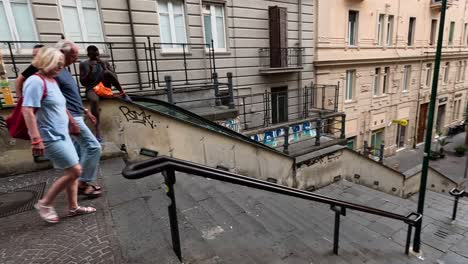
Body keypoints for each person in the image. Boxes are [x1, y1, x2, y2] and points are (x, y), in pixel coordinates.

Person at [18, 40, 103, 198]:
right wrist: (70, 120)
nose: (76, 59)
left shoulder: (62, 70)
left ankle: (75, 197)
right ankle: (82, 183)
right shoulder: (47, 72)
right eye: (73, 55)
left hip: (76, 115)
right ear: (62, 54)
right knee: (93, 147)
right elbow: (21, 84)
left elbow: (66, 97)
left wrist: (86, 111)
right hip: (69, 119)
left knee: (78, 155)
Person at [79, 45, 131, 142]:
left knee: (108, 73)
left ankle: (123, 93)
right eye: (93, 54)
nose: (96, 56)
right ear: (88, 54)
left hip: (104, 87)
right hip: (91, 88)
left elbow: (114, 77)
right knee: (94, 100)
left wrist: (104, 66)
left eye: (97, 53)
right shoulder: (84, 64)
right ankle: (98, 130)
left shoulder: (104, 62)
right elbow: (82, 82)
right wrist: (89, 72)